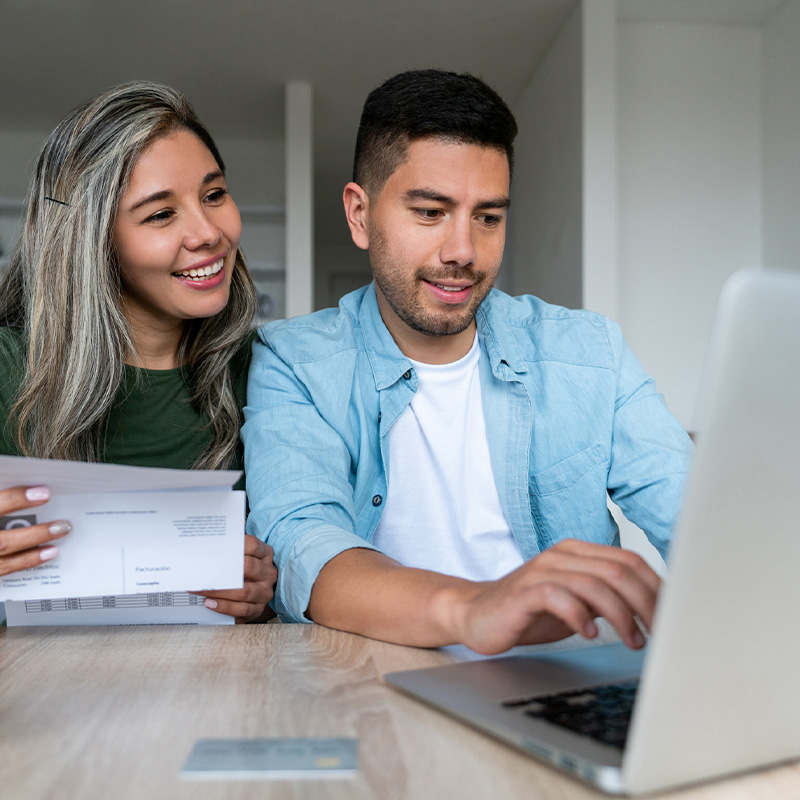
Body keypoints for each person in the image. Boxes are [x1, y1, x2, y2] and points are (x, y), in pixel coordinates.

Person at [242, 69, 693, 650]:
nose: (463, 252)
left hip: (570, 677)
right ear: (359, 214)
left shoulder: (589, 353)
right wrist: (473, 608)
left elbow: (701, 523)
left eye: (488, 217)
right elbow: (303, 544)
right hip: (382, 679)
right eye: (430, 213)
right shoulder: (294, 361)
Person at [0, 81, 276, 623]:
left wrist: (269, 589)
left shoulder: (265, 369)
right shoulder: (9, 370)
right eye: (159, 215)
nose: (208, 232)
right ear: (91, 241)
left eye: (214, 195)